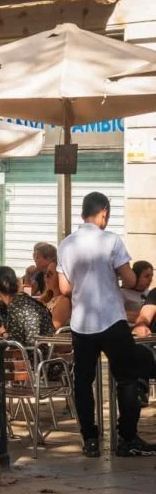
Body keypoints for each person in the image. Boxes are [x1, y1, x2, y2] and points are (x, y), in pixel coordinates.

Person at [57, 191, 154, 458]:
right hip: (112, 319)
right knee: (126, 379)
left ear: (82, 213)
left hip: (82, 324)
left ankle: (90, 439)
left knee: (83, 381)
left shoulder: (65, 244)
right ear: (104, 214)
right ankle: (127, 438)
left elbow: (64, 288)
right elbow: (131, 281)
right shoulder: (111, 240)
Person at [0, 266, 54, 347]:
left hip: (31, 356)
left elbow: (15, 346)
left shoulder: (15, 307)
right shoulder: (25, 300)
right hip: (45, 354)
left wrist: (1, 331)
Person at [39, 259, 72, 330]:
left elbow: (52, 328)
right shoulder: (46, 298)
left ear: (62, 278)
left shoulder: (64, 301)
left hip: (49, 339)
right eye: (45, 273)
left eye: (49, 274)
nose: (45, 276)